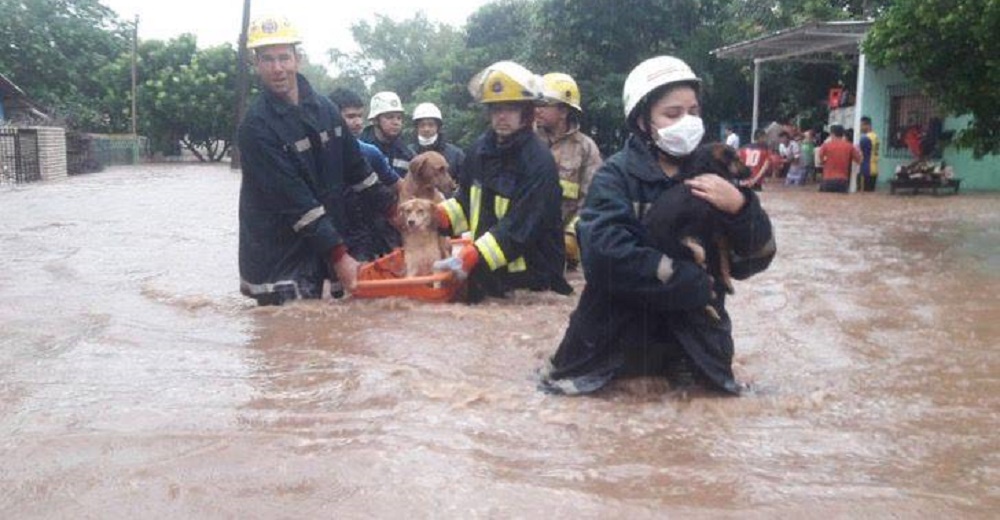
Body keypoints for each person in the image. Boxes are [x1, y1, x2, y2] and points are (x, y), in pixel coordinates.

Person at [539, 56, 775, 395]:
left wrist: (740, 209)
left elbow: (754, 260)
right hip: (611, 355)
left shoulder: (718, 176)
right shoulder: (615, 177)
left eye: (693, 112)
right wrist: (682, 278)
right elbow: (603, 258)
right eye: (672, 113)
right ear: (641, 120)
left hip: (696, 355)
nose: (688, 122)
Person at [237, 15, 394, 305]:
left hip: (322, 241)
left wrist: (395, 211)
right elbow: (297, 203)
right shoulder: (255, 127)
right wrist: (340, 256)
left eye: (284, 57)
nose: (278, 68)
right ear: (256, 64)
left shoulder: (326, 109)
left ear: (298, 59)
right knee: (291, 336)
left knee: (333, 337)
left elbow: (358, 171)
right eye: (268, 59)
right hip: (279, 254)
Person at [433, 61, 572, 302]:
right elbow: (466, 201)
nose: (501, 116)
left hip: (531, 284)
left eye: (510, 108)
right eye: (495, 109)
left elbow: (521, 227)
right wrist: (435, 217)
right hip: (487, 276)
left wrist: (473, 255)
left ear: (527, 112)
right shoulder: (479, 150)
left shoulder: (539, 162)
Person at [535, 72, 603, 270]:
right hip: (526, 243)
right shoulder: (526, 142)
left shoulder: (586, 148)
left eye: (544, 104)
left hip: (567, 251)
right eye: (536, 104)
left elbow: (593, 200)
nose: (537, 110)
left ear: (563, 111)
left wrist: (572, 234)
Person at [328, 87, 402, 260]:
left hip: (368, 239)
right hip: (330, 239)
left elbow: (401, 187)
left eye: (360, 116)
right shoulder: (315, 155)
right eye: (351, 116)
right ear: (331, 117)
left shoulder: (370, 153)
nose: (358, 122)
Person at [409, 102, 465, 194]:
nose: (426, 129)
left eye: (431, 125)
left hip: (447, 206)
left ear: (438, 127)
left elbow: (464, 184)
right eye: (422, 125)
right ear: (416, 127)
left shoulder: (456, 154)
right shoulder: (407, 152)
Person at [360, 91, 414, 178]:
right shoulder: (360, 148)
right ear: (375, 120)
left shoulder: (406, 153)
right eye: (390, 117)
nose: (396, 122)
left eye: (399, 118)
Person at [818, 124, 861, 193]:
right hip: (842, 181)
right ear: (842, 134)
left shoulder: (826, 145)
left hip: (828, 179)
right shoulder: (849, 146)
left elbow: (820, 156)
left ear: (832, 134)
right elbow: (859, 160)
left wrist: (823, 162)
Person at [858, 116, 879, 192]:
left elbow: (859, 154)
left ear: (867, 125)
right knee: (870, 193)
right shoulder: (875, 136)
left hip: (866, 169)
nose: (860, 128)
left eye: (861, 125)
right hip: (875, 169)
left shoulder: (865, 138)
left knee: (863, 195)